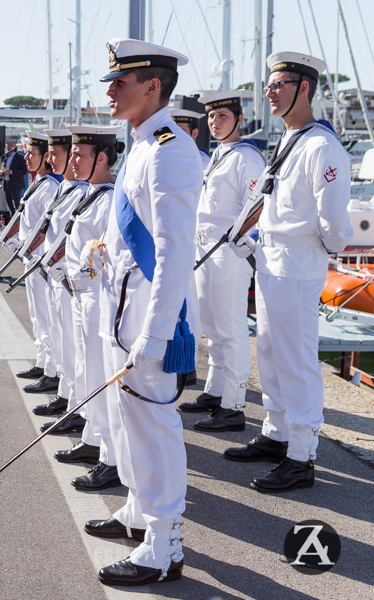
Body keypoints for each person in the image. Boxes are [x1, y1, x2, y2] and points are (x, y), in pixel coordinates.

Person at [85, 38, 202, 586]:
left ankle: (164, 544)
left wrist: (155, 337)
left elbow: (177, 252)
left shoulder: (170, 149)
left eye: (120, 82)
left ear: (152, 86)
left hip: (148, 318)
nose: (109, 91)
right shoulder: (140, 144)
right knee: (130, 421)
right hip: (122, 309)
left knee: (155, 425)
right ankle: (138, 510)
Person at [224, 52, 353, 492]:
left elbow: (335, 224)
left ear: (304, 88)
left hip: (299, 264)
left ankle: (302, 456)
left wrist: (321, 248)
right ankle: (276, 434)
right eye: (269, 84)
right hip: (272, 261)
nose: (269, 92)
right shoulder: (289, 139)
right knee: (271, 352)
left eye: (278, 84)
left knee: (297, 359)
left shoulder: (322, 146)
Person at [179, 90, 266, 433]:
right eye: (212, 117)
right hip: (205, 251)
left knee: (231, 331)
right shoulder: (219, 155)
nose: (215, 123)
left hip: (228, 253)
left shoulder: (247, 158)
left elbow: (259, 206)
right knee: (213, 329)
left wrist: (239, 244)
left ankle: (233, 406)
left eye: (223, 117)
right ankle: (215, 393)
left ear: (239, 120)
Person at [51, 125, 121, 492]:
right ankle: (93, 440)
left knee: (97, 371)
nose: (73, 161)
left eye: (80, 154)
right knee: (84, 368)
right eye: (73, 153)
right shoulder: (90, 194)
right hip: (80, 294)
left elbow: (103, 249)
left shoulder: (109, 199)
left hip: (95, 296)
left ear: (103, 157)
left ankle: (110, 458)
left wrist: (80, 273)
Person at [28, 129, 88, 426]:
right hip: (52, 274)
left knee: (72, 343)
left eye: (57, 154)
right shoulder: (65, 189)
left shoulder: (85, 193)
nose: (50, 159)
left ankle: (76, 407)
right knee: (60, 337)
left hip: (70, 280)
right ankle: (66, 396)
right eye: (49, 154)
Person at [7, 132, 62, 391]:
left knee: (46, 315)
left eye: (32, 153)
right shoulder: (38, 182)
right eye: (26, 152)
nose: (26, 157)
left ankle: (52, 372)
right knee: (36, 315)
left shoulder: (50, 187)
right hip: (31, 259)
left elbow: (48, 228)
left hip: (42, 262)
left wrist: (30, 249)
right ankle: (42, 362)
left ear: (45, 158)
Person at [2, 140, 28, 213]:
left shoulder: (19, 157)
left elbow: (24, 171)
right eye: (8, 145)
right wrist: (2, 172)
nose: (9, 147)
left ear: (15, 147)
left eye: (11, 145)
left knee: (16, 203)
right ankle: (11, 219)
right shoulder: (5, 157)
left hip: (15, 184)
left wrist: (11, 172)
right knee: (9, 203)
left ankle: (18, 219)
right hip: (6, 183)